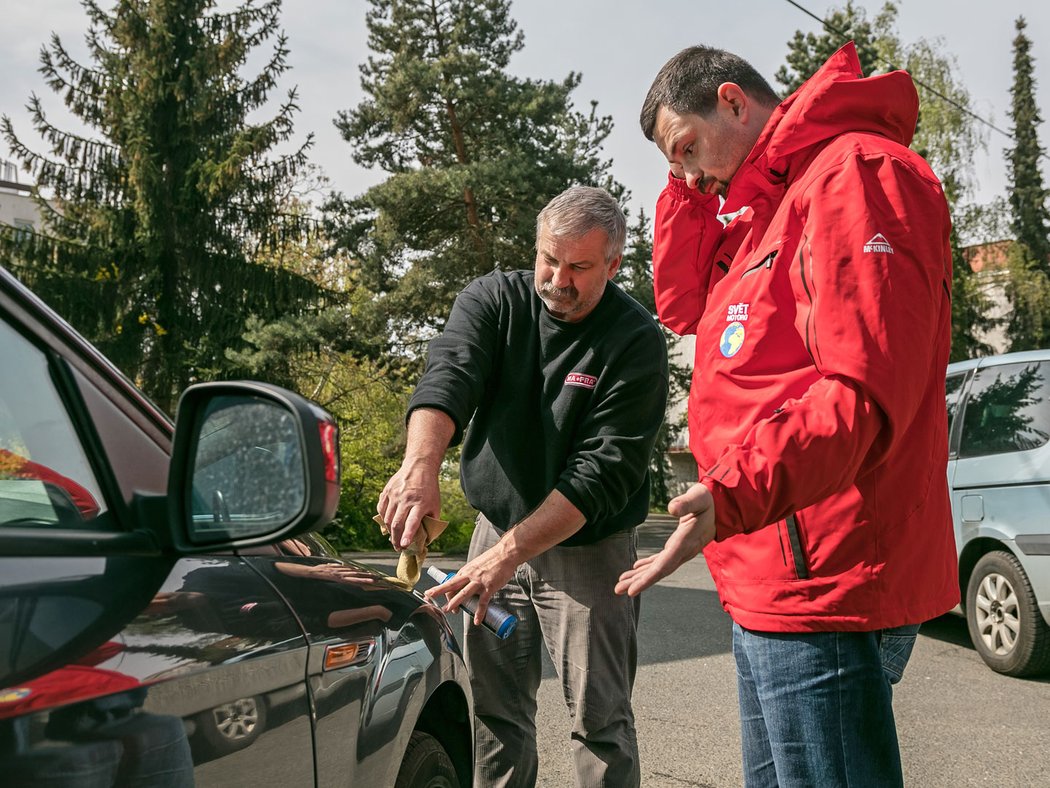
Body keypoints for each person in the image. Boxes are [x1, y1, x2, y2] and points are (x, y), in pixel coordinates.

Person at [616, 42, 959, 788]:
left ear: (735, 102)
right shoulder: (772, 205)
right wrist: (690, 185)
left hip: (821, 577)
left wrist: (733, 491)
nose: (690, 175)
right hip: (769, 567)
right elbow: (684, 305)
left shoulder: (857, 176)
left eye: (687, 148)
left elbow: (865, 389)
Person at [377, 185, 668, 788]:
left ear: (613, 265)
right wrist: (420, 467)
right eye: (548, 259)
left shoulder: (635, 339)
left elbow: (602, 474)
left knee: (600, 722)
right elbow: (450, 371)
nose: (557, 279)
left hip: (590, 549)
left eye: (579, 267)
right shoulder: (495, 299)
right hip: (495, 531)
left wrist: (508, 555)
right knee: (496, 715)